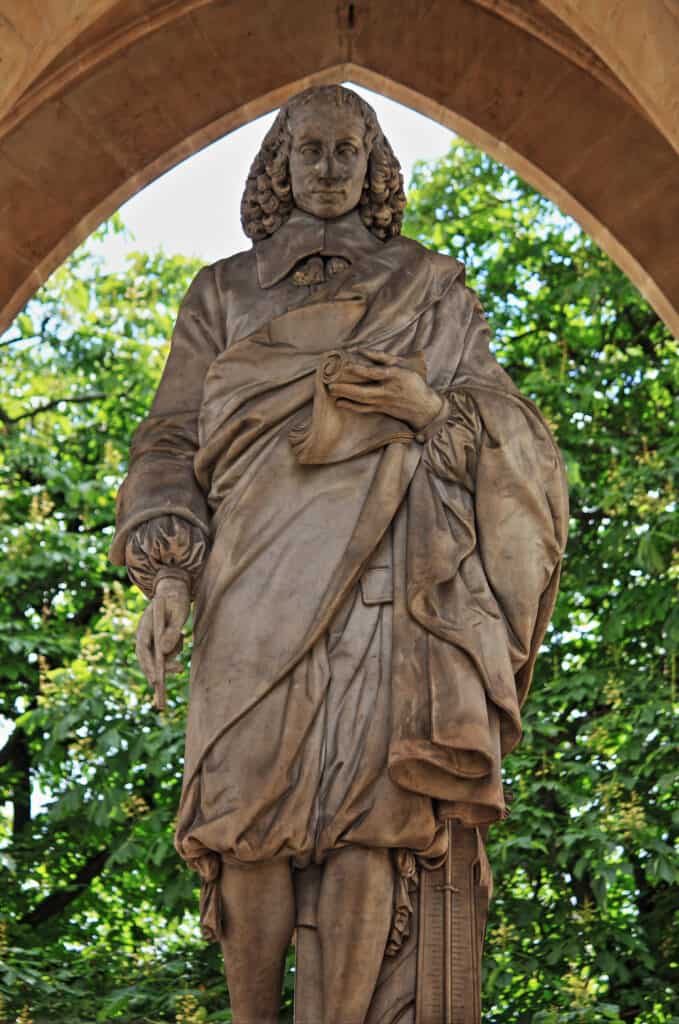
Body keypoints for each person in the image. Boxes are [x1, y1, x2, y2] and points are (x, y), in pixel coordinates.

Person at [111, 85, 568, 1024]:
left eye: (344, 151)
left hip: (389, 576)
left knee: (372, 815)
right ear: (278, 164)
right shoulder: (222, 292)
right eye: (307, 150)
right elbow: (167, 439)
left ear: (374, 166)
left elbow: (510, 430)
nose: (325, 168)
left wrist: (425, 406)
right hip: (249, 576)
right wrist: (168, 571)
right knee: (243, 816)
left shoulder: (431, 289)